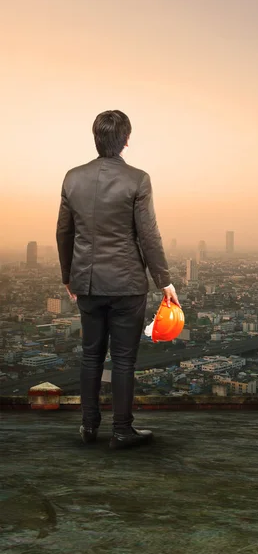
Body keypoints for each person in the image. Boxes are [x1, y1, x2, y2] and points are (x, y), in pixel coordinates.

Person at [56, 110, 179, 449]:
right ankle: (122, 430)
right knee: (124, 360)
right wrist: (164, 281)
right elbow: (148, 235)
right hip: (127, 285)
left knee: (90, 356)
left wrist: (69, 276)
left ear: (96, 139)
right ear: (126, 140)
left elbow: (64, 232)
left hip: (88, 283)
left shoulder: (72, 178)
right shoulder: (138, 179)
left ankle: (88, 426)